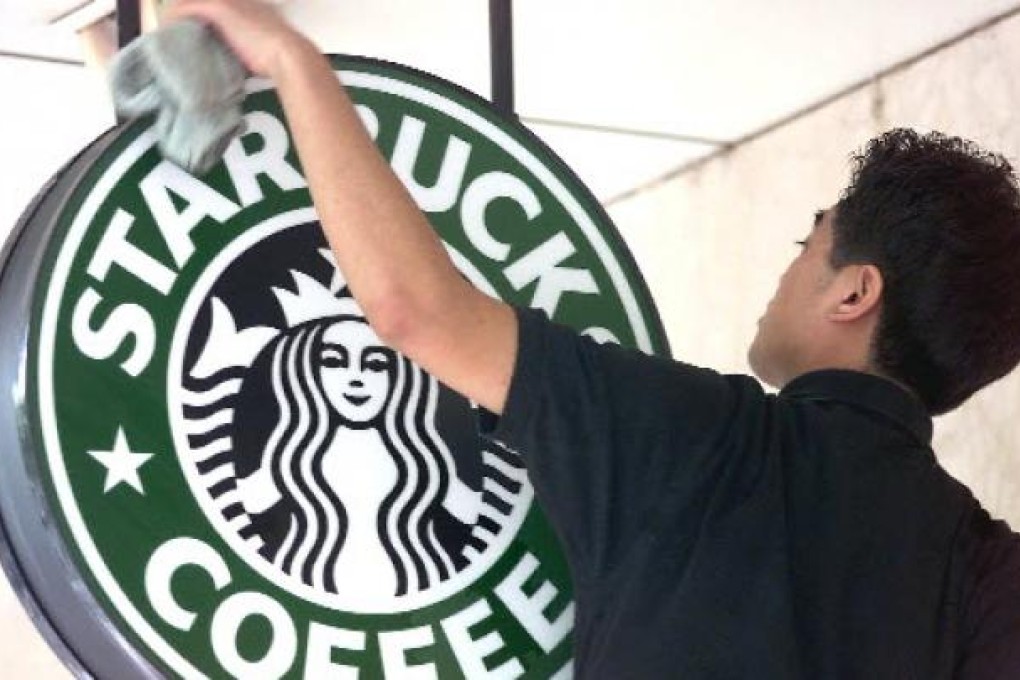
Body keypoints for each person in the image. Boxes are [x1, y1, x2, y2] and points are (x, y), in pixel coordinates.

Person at [165, 2, 1020, 677]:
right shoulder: (990, 575)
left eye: (811, 240)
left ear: (856, 292)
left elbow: (413, 311)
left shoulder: (704, 437)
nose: (788, 266)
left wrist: (289, 59)